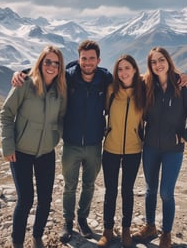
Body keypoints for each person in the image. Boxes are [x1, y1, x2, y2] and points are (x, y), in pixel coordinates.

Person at [11, 40, 113, 243]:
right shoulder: (68, 75)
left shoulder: (105, 78)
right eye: (84, 58)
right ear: (78, 59)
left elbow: (131, 78)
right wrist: (20, 72)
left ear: (98, 60)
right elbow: (44, 68)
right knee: (69, 185)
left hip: (94, 143)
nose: (87, 62)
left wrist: (179, 76)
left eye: (92, 58)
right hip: (71, 143)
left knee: (89, 184)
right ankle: (67, 222)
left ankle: (82, 219)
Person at [132, 47, 187, 248]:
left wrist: (186, 136)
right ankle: (149, 227)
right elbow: (127, 79)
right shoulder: (147, 84)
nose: (158, 65)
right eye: (153, 62)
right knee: (150, 189)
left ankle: (166, 233)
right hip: (150, 147)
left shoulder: (182, 85)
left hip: (173, 149)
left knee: (166, 192)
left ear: (168, 60)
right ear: (150, 66)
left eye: (161, 60)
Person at [0, 45, 67, 248]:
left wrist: (59, 138)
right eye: (48, 61)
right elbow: (6, 114)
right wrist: (7, 146)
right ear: (40, 62)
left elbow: (62, 117)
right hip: (20, 152)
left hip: (46, 152)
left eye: (56, 63)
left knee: (46, 200)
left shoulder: (60, 90)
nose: (52, 66)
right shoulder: (24, 84)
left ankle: (37, 237)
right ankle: (17, 242)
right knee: (26, 199)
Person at [97, 54, 145, 248]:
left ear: (134, 69)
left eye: (127, 68)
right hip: (111, 148)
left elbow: (164, 74)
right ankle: (108, 231)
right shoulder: (110, 90)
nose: (124, 72)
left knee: (127, 191)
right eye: (120, 69)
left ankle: (126, 230)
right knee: (110, 192)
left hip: (134, 149)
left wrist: (182, 76)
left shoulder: (143, 91)